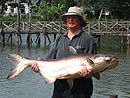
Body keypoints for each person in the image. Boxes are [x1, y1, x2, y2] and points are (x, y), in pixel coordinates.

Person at [31, 6, 97, 98]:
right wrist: (38, 66)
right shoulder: (59, 39)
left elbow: (94, 68)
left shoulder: (89, 40)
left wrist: (88, 74)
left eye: (74, 17)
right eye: (68, 17)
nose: (70, 20)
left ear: (80, 21)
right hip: (60, 91)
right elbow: (48, 60)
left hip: (82, 92)